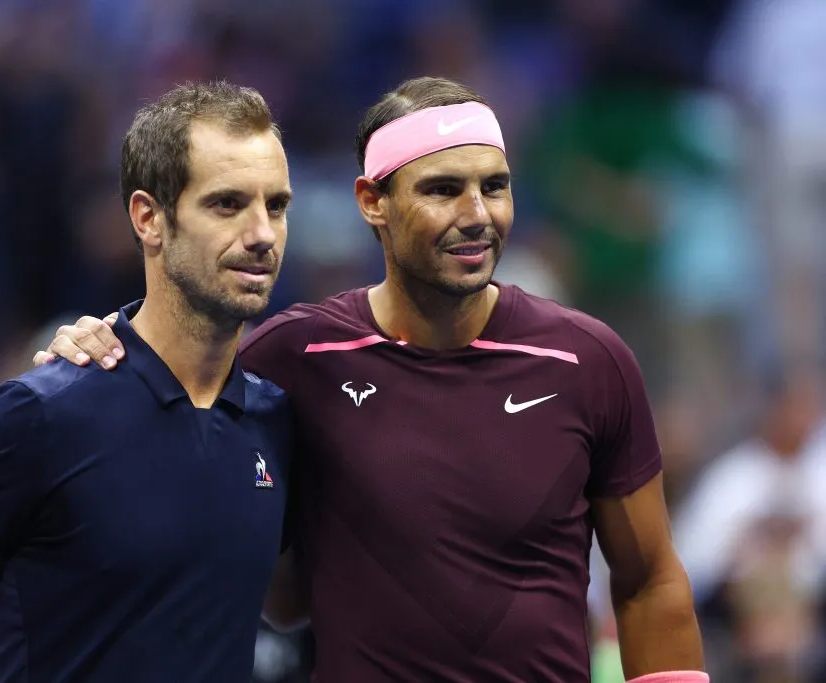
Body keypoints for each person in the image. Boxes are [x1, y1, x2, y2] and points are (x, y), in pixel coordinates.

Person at [45, 77, 708, 683]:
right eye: (443, 189)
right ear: (373, 202)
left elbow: (649, 580)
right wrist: (95, 344)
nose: (477, 213)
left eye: (495, 186)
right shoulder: (293, 355)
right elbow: (152, 392)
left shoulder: (587, 360)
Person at [0, 81, 296, 683]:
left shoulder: (277, 421)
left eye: (277, 205)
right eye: (226, 204)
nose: (262, 232)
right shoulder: (38, 413)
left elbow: (290, 608)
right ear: (148, 218)